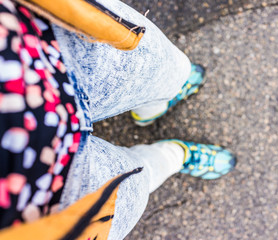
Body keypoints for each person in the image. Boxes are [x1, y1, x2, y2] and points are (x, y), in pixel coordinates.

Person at [0, 0, 236, 239]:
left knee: (169, 70)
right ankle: (177, 154)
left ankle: (155, 107)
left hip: (42, 37)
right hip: (47, 211)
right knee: (137, 182)